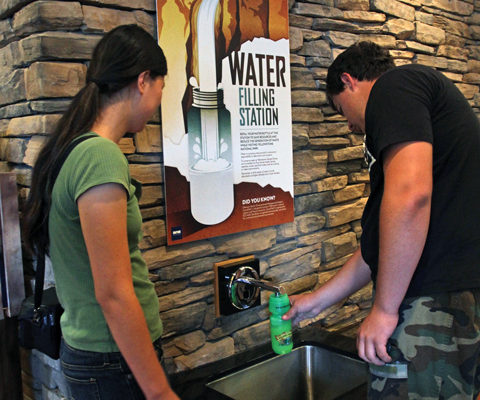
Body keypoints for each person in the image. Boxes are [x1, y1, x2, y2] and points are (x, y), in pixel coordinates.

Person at [283, 41, 480, 399]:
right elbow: (379, 247)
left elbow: (410, 196)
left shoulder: (395, 86)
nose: (350, 124)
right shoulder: (417, 108)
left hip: (431, 304)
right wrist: (317, 301)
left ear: (349, 80)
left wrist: (384, 310)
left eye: (342, 110)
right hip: (445, 302)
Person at [23, 25, 179, 400]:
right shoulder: (99, 156)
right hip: (112, 359)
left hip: (99, 355)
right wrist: (159, 391)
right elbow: (113, 292)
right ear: (144, 80)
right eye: (162, 88)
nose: (159, 103)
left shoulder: (74, 149)